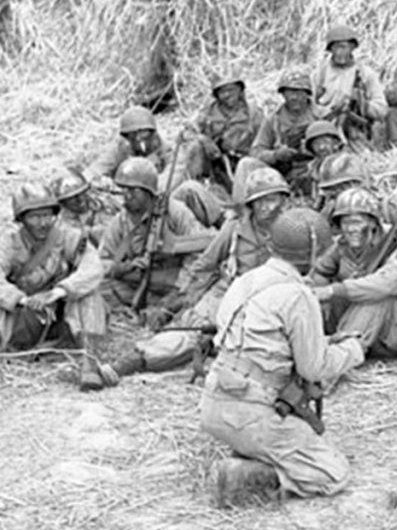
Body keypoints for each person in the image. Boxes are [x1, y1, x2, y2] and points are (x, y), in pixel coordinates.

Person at [200, 207, 364, 506]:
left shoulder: (246, 281)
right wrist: (352, 351)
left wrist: (324, 342)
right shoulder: (298, 295)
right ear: (314, 254)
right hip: (253, 411)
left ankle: (252, 453)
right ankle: (243, 477)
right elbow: (314, 368)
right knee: (333, 474)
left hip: (214, 404)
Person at [100, 167, 290, 385]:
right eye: (260, 201)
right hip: (231, 291)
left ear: (283, 200)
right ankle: (130, 363)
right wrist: (181, 300)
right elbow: (205, 264)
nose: (266, 207)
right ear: (250, 204)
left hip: (274, 298)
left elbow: (313, 272)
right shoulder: (235, 227)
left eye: (273, 199)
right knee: (191, 331)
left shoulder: (295, 228)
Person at [0, 183, 107, 390]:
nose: (43, 223)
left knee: (89, 295)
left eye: (47, 216)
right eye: (34, 217)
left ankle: (89, 361)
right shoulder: (8, 242)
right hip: (25, 316)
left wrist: (59, 292)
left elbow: (92, 267)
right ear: (21, 220)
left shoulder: (67, 236)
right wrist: (22, 299)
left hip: (63, 317)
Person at [310, 187, 397, 356]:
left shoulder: (396, 244)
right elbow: (320, 272)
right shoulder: (341, 246)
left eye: (357, 222)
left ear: (373, 222)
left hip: (388, 332)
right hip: (349, 322)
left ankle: (337, 357)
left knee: (375, 297)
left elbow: (387, 285)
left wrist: (333, 290)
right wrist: (320, 297)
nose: (351, 229)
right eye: (346, 223)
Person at [98, 158, 212, 312]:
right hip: (144, 279)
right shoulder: (120, 222)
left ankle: (166, 305)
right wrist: (125, 267)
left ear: (149, 192)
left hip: (176, 276)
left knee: (205, 283)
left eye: (134, 190)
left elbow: (200, 253)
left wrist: (180, 290)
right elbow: (102, 263)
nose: (127, 195)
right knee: (98, 284)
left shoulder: (175, 212)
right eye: (124, 189)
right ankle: (143, 307)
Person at [84, 106, 224, 228]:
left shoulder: (169, 150)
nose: (139, 139)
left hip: (159, 205)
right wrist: (101, 183)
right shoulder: (121, 148)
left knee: (190, 189)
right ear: (126, 136)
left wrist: (140, 188)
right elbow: (94, 170)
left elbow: (170, 178)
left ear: (153, 132)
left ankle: (225, 229)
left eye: (144, 133)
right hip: (127, 206)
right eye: (133, 135)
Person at [184, 73, 264, 194]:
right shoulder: (208, 113)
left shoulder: (253, 114)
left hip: (242, 165)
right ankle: (196, 187)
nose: (227, 95)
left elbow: (265, 142)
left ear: (240, 91)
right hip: (213, 165)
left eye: (231, 90)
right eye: (222, 92)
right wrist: (204, 140)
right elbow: (187, 132)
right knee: (194, 146)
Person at [310, 25, 387, 146]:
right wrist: (329, 111)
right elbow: (309, 104)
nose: (340, 52)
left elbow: (382, 109)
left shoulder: (366, 74)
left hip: (356, 128)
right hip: (326, 126)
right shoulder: (320, 74)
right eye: (336, 47)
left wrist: (363, 105)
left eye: (344, 47)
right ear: (330, 49)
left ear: (352, 48)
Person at [253, 70, 320, 195]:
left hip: (315, 170)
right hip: (281, 173)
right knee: (246, 164)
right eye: (290, 92)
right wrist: (276, 155)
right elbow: (256, 152)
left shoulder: (322, 116)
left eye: (299, 92)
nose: (295, 97)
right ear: (283, 94)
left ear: (307, 94)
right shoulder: (273, 119)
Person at [53, 170, 114, 248]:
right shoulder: (61, 226)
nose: (79, 199)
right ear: (63, 203)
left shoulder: (105, 203)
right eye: (72, 197)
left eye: (81, 193)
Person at [301, 120, 347, 202]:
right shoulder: (312, 170)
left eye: (325, 142)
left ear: (335, 143)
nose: (321, 147)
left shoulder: (346, 164)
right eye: (316, 144)